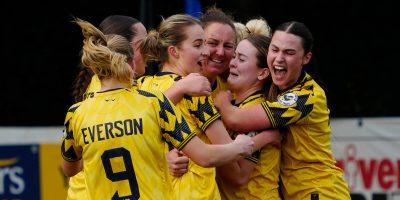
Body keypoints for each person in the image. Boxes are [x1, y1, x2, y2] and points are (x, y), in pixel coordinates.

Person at [61, 18, 254, 200]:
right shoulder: (155, 102)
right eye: (198, 44)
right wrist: (241, 146)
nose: (206, 52)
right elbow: (205, 156)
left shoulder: (77, 112)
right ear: (128, 61)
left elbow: (70, 168)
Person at [138, 14, 278, 200]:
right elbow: (230, 158)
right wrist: (264, 138)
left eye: (230, 47)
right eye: (200, 45)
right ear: (174, 51)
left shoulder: (141, 86)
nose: (208, 52)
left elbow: (138, 132)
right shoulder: (196, 91)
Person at [213, 21, 351, 199]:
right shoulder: (276, 88)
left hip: (319, 192)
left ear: (306, 58)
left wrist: (222, 102)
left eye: (289, 52)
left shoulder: (305, 96)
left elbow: (237, 120)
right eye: (275, 49)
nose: (279, 58)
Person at [216, 22, 282, 200]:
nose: (232, 63)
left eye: (241, 59)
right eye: (235, 56)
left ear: (262, 73)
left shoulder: (255, 112)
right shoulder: (235, 103)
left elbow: (238, 176)